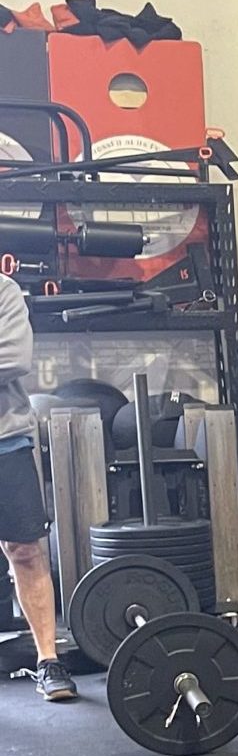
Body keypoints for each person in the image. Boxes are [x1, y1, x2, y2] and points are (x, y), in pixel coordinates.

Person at [0, 277, 72, 702]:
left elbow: (12, 357)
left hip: (5, 440)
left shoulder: (2, 291)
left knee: (25, 550)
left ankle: (48, 659)